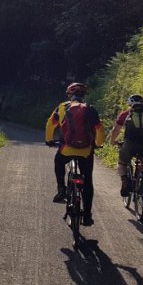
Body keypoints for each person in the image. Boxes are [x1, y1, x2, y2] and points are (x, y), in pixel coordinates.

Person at [45, 82, 104, 226]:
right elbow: (100, 129)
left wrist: (49, 140)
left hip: (67, 149)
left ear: (69, 95)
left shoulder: (62, 107)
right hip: (85, 151)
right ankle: (88, 215)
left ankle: (61, 189)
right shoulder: (90, 109)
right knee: (87, 181)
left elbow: (50, 125)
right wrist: (97, 144)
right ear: (83, 95)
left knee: (58, 161)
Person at [110, 94, 143, 196]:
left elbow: (116, 130)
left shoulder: (125, 114)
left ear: (130, 104)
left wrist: (113, 141)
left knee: (122, 163)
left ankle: (125, 181)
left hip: (130, 144)